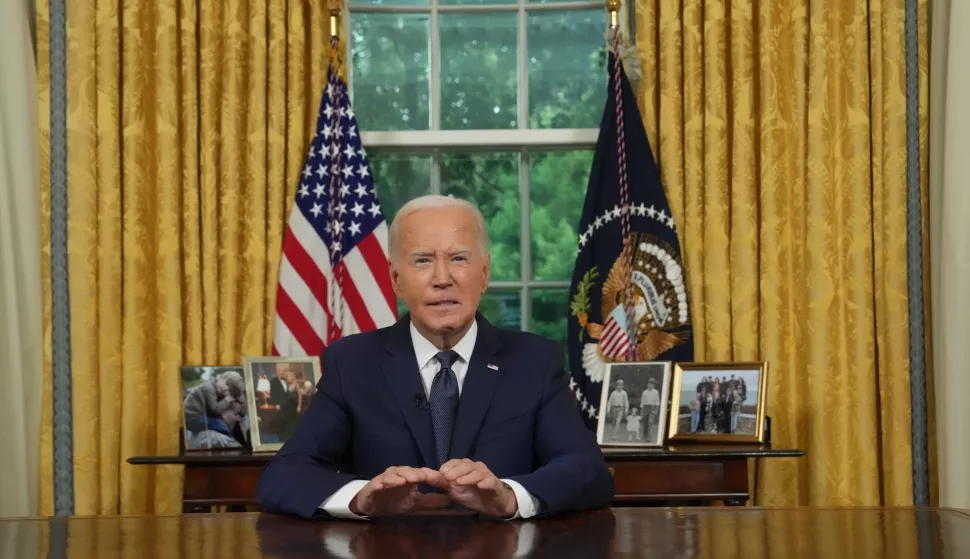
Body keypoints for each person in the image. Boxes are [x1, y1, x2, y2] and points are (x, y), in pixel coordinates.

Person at [257, 195, 614, 520]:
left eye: (459, 258)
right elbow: (284, 475)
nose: (442, 279)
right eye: (423, 261)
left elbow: (587, 470)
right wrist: (360, 499)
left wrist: (509, 498)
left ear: (484, 273)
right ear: (396, 279)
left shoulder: (535, 360)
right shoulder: (351, 363)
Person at [639, 377, 660, 442]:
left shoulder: (656, 392)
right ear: (647, 384)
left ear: (654, 385)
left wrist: (656, 410)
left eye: (652, 384)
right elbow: (642, 402)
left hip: (652, 408)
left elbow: (657, 402)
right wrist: (642, 411)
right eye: (649, 384)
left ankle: (649, 437)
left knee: (650, 422)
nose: (650, 385)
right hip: (645, 408)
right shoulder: (644, 392)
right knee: (645, 423)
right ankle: (645, 435)